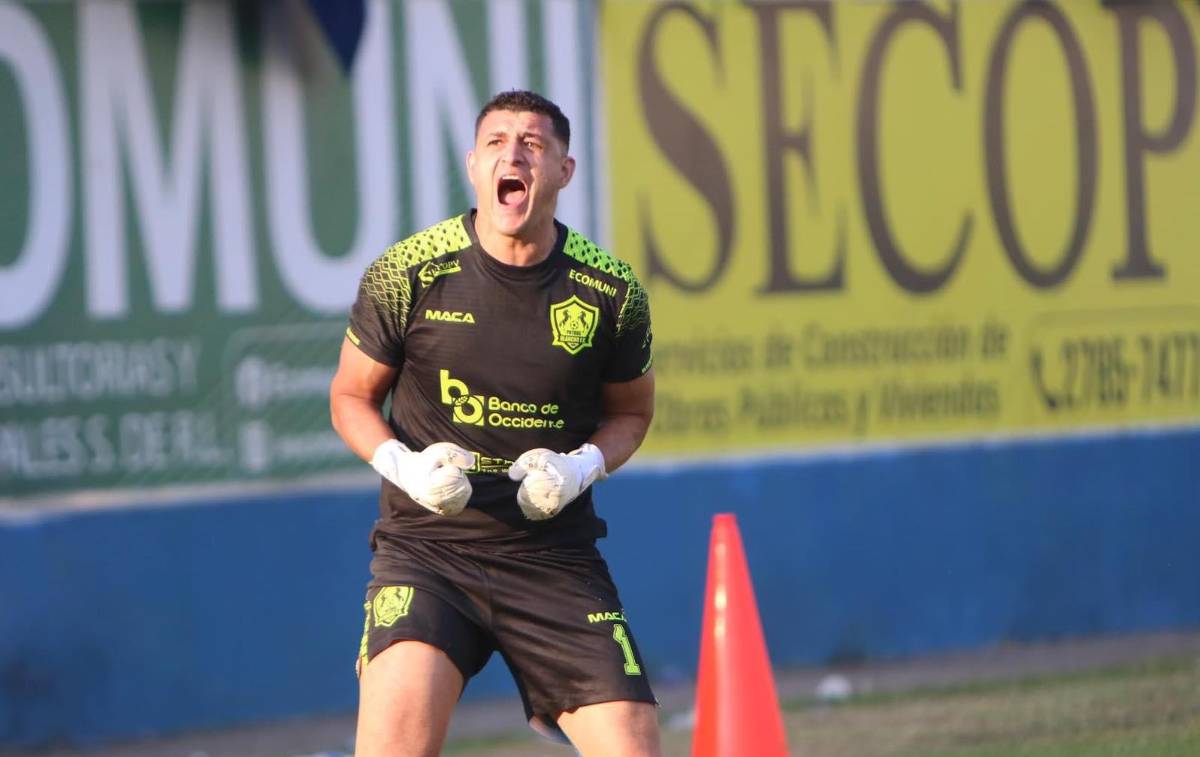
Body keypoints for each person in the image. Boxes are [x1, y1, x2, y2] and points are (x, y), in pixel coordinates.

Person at [329, 90, 660, 756]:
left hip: (554, 557)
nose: (514, 155)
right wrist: (407, 468)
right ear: (473, 166)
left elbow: (632, 412)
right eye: (497, 143)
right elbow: (349, 397)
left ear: (565, 170)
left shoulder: (611, 292)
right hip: (428, 553)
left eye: (533, 144)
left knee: (632, 743)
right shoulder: (405, 273)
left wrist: (579, 468)